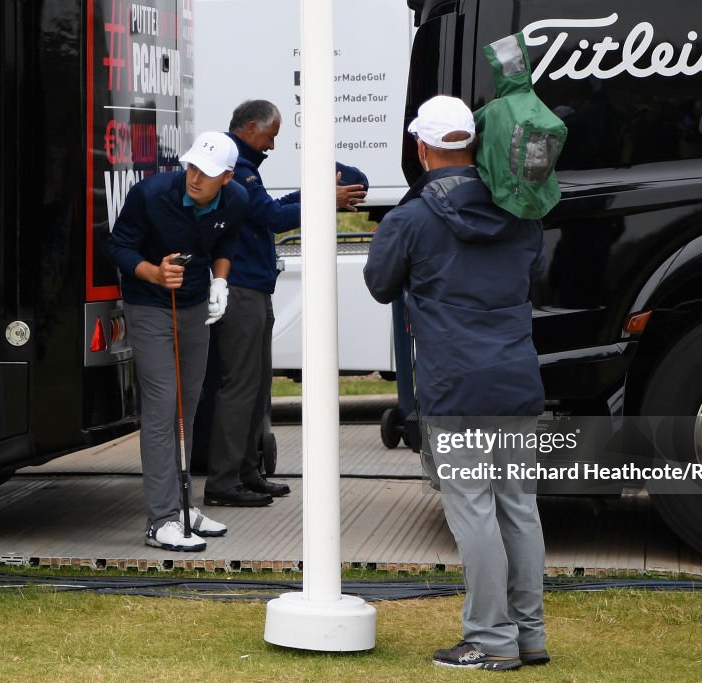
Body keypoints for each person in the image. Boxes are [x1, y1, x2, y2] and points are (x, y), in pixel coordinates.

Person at [363, 95, 549, 671]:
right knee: (519, 509)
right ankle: (529, 634)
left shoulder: (412, 219)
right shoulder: (522, 211)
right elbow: (531, 274)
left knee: (473, 512)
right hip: (517, 378)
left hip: (456, 386)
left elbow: (379, 284)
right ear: (472, 143)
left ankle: (490, 640)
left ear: (422, 148)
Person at [202, 99, 368, 507]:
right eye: (271, 136)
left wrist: (319, 191)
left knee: (257, 386)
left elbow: (269, 211)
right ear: (251, 127)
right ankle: (223, 483)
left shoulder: (244, 165)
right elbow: (273, 218)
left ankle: (247, 471)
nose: (272, 146)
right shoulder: (235, 168)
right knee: (240, 386)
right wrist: (322, 199)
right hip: (241, 287)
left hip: (256, 285)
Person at [109, 131, 248, 551]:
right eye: (191, 166)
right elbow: (118, 246)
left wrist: (220, 282)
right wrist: (153, 272)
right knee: (161, 405)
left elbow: (226, 241)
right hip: (149, 305)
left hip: (194, 307)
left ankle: (184, 506)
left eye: (205, 172)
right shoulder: (151, 194)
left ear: (225, 176)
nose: (194, 177)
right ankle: (162, 519)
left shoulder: (237, 199)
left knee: (186, 407)